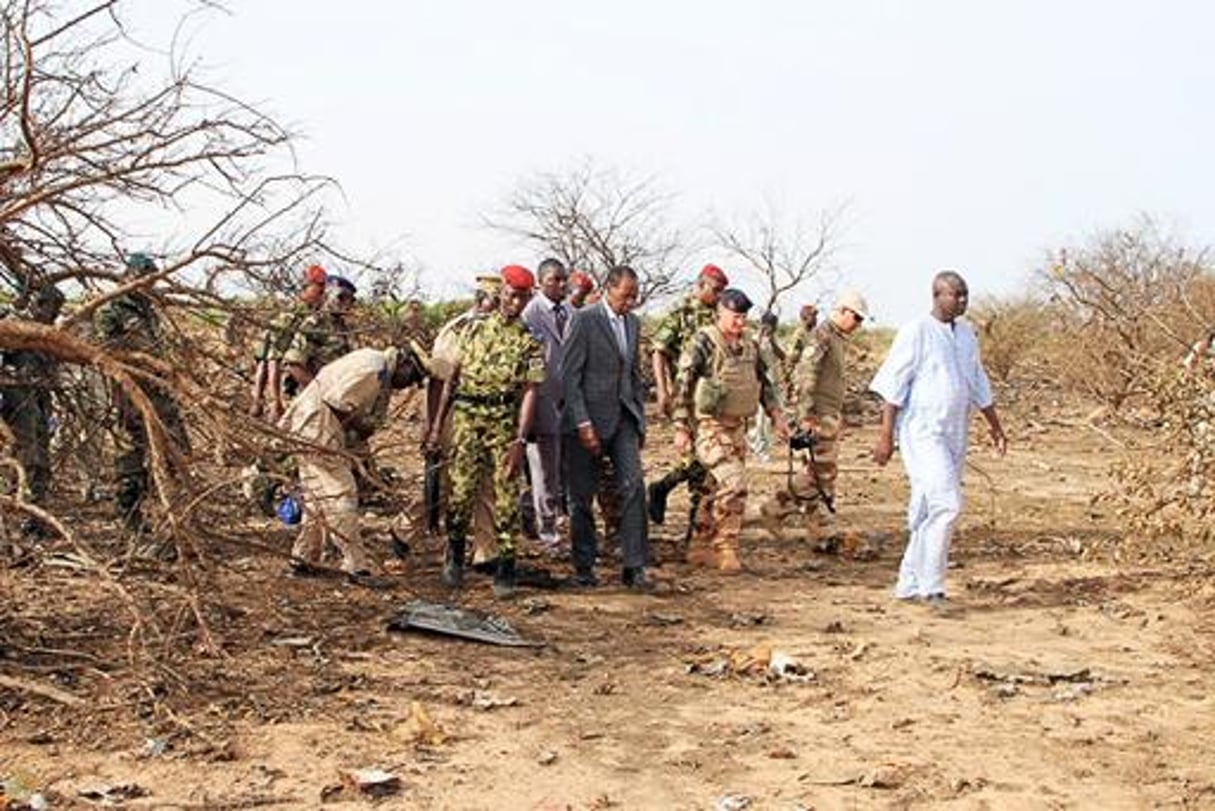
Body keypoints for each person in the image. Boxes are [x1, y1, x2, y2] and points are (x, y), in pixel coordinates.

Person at [870, 271, 1007, 606]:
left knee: (926, 506)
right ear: (937, 295)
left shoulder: (966, 334)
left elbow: (977, 381)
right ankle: (932, 585)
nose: (962, 301)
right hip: (922, 431)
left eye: (965, 295)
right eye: (955, 295)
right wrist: (886, 436)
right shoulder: (916, 330)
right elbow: (894, 386)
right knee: (947, 503)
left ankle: (908, 583)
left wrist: (995, 425)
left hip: (955, 430)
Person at [428, 265, 545, 598]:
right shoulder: (472, 331)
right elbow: (450, 380)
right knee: (461, 491)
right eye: (511, 295)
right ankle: (454, 557)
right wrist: (437, 425)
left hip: (503, 421)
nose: (515, 302)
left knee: (506, 495)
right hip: (466, 416)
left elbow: (530, 392)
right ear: (501, 292)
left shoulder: (530, 342)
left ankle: (506, 566)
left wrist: (521, 440)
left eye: (522, 297)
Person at [281, 345, 428, 577]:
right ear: (405, 364)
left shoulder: (373, 362)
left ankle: (303, 557)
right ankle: (356, 565)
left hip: (311, 420)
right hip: (318, 424)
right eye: (412, 377)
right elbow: (339, 404)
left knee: (318, 494)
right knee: (342, 493)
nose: (408, 385)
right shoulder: (374, 370)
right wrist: (360, 427)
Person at [673, 288, 787, 572]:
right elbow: (683, 385)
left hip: (738, 429)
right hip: (710, 428)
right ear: (720, 312)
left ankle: (699, 547)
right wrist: (680, 427)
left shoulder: (750, 344)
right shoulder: (704, 341)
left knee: (712, 488)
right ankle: (726, 547)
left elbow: (765, 384)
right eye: (735, 316)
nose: (740, 322)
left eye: (743, 316)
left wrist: (777, 416)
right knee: (735, 485)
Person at [561, 265, 651, 590]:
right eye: (626, 295)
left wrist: (639, 418)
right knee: (581, 498)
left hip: (623, 417)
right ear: (609, 288)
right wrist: (582, 422)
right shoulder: (584, 320)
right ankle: (584, 567)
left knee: (634, 487)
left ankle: (635, 566)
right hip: (587, 420)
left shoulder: (633, 323)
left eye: (634, 297)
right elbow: (569, 378)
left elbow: (633, 374)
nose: (630, 302)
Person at [94, 252, 190, 537]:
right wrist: (121, 399)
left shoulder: (148, 309)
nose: (150, 284)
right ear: (131, 276)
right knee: (130, 462)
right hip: (131, 396)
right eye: (145, 277)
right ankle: (131, 523)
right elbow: (107, 359)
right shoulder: (111, 310)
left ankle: (172, 519)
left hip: (160, 397)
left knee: (176, 454)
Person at [760, 291, 869, 539]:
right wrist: (807, 415)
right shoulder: (822, 335)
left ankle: (818, 529)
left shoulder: (837, 338)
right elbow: (808, 375)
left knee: (821, 474)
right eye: (857, 318)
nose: (858, 324)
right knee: (820, 472)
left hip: (829, 413)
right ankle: (776, 508)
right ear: (842, 311)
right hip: (818, 415)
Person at [424, 274, 501, 565]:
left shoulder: (502, 331)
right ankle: (405, 529)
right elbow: (439, 380)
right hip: (455, 415)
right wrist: (433, 427)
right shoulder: (456, 330)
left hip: (491, 416)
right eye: (496, 298)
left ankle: (485, 550)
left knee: (488, 481)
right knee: (450, 483)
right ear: (483, 299)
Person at [647, 263, 729, 530]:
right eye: (715, 290)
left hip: (713, 401)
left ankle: (686, 511)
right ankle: (670, 496)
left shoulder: (721, 315)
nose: (719, 296)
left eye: (722, 291)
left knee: (707, 461)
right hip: (686, 398)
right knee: (695, 460)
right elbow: (658, 350)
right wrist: (662, 389)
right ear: (701, 285)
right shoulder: (681, 312)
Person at [0, 280, 65, 536]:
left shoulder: (46, 331)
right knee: (28, 458)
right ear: (39, 304)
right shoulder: (15, 326)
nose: (56, 314)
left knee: (42, 459)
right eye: (53, 307)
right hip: (18, 400)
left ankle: (38, 517)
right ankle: (22, 518)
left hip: (39, 400)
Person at [521, 258, 569, 550]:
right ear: (541, 283)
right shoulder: (530, 315)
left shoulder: (571, 313)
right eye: (555, 280)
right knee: (544, 469)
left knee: (557, 468)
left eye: (564, 279)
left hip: (566, 401)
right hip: (539, 401)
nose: (562, 285)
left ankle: (528, 511)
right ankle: (548, 532)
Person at [250, 264, 327, 421]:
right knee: (271, 361)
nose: (322, 291)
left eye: (322, 287)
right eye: (318, 286)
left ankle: (261, 403)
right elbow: (273, 359)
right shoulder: (294, 312)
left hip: (274, 342)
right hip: (273, 342)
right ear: (308, 285)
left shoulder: (310, 309)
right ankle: (269, 404)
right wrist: (276, 402)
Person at [280, 274, 357, 395]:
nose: (347, 303)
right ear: (327, 296)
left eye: (351, 300)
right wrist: (318, 394)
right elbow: (293, 364)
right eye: (341, 297)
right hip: (312, 400)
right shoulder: (315, 323)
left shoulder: (346, 328)